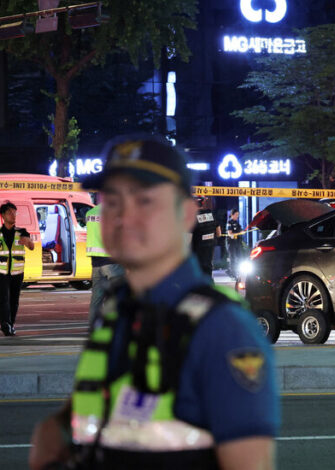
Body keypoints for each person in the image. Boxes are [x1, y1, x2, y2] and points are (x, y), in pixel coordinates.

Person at [29, 135, 279, 470]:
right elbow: (98, 408)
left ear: (186, 214)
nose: (124, 217)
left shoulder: (222, 328)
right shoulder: (117, 312)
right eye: (113, 200)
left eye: (144, 200)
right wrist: (55, 428)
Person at [85, 202, 125, 326]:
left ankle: (93, 326)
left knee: (96, 298)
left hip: (95, 262)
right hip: (111, 262)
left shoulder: (90, 213)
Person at [0, 201, 34, 336]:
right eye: (10, 213)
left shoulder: (22, 232)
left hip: (17, 272)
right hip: (1, 272)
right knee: (3, 299)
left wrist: (28, 242)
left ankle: (10, 324)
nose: (13, 215)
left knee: (14, 300)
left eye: (15, 213)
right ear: (2, 215)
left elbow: (31, 247)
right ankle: (5, 324)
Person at [191, 196, 222, 276]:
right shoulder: (210, 214)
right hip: (209, 248)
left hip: (197, 252)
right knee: (208, 270)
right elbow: (219, 234)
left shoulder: (192, 218)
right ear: (203, 203)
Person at [226, 209, 244, 278]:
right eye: (236, 215)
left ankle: (238, 272)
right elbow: (230, 233)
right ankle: (232, 273)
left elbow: (240, 230)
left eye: (238, 215)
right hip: (231, 243)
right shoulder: (229, 222)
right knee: (232, 258)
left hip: (237, 242)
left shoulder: (237, 222)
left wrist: (242, 231)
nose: (237, 216)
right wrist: (239, 233)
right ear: (232, 215)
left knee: (239, 257)